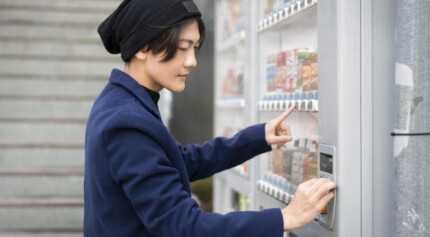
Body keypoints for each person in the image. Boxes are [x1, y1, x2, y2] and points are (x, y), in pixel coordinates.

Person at [84, 0, 336, 236]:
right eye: (183, 48)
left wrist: (257, 137)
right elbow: (182, 226)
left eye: (194, 48)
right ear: (143, 47)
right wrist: (284, 217)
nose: (192, 61)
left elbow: (178, 161)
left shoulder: (120, 101)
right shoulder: (127, 122)